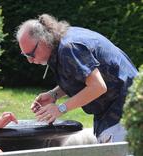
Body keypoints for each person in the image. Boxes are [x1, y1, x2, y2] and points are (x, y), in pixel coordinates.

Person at [16, 14, 138, 143]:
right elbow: (81, 76)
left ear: (43, 41)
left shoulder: (70, 47)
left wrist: (60, 109)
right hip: (114, 109)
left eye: (31, 54)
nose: (30, 60)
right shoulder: (58, 43)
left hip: (124, 108)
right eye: (25, 55)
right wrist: (54, 94)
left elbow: (98, 87)